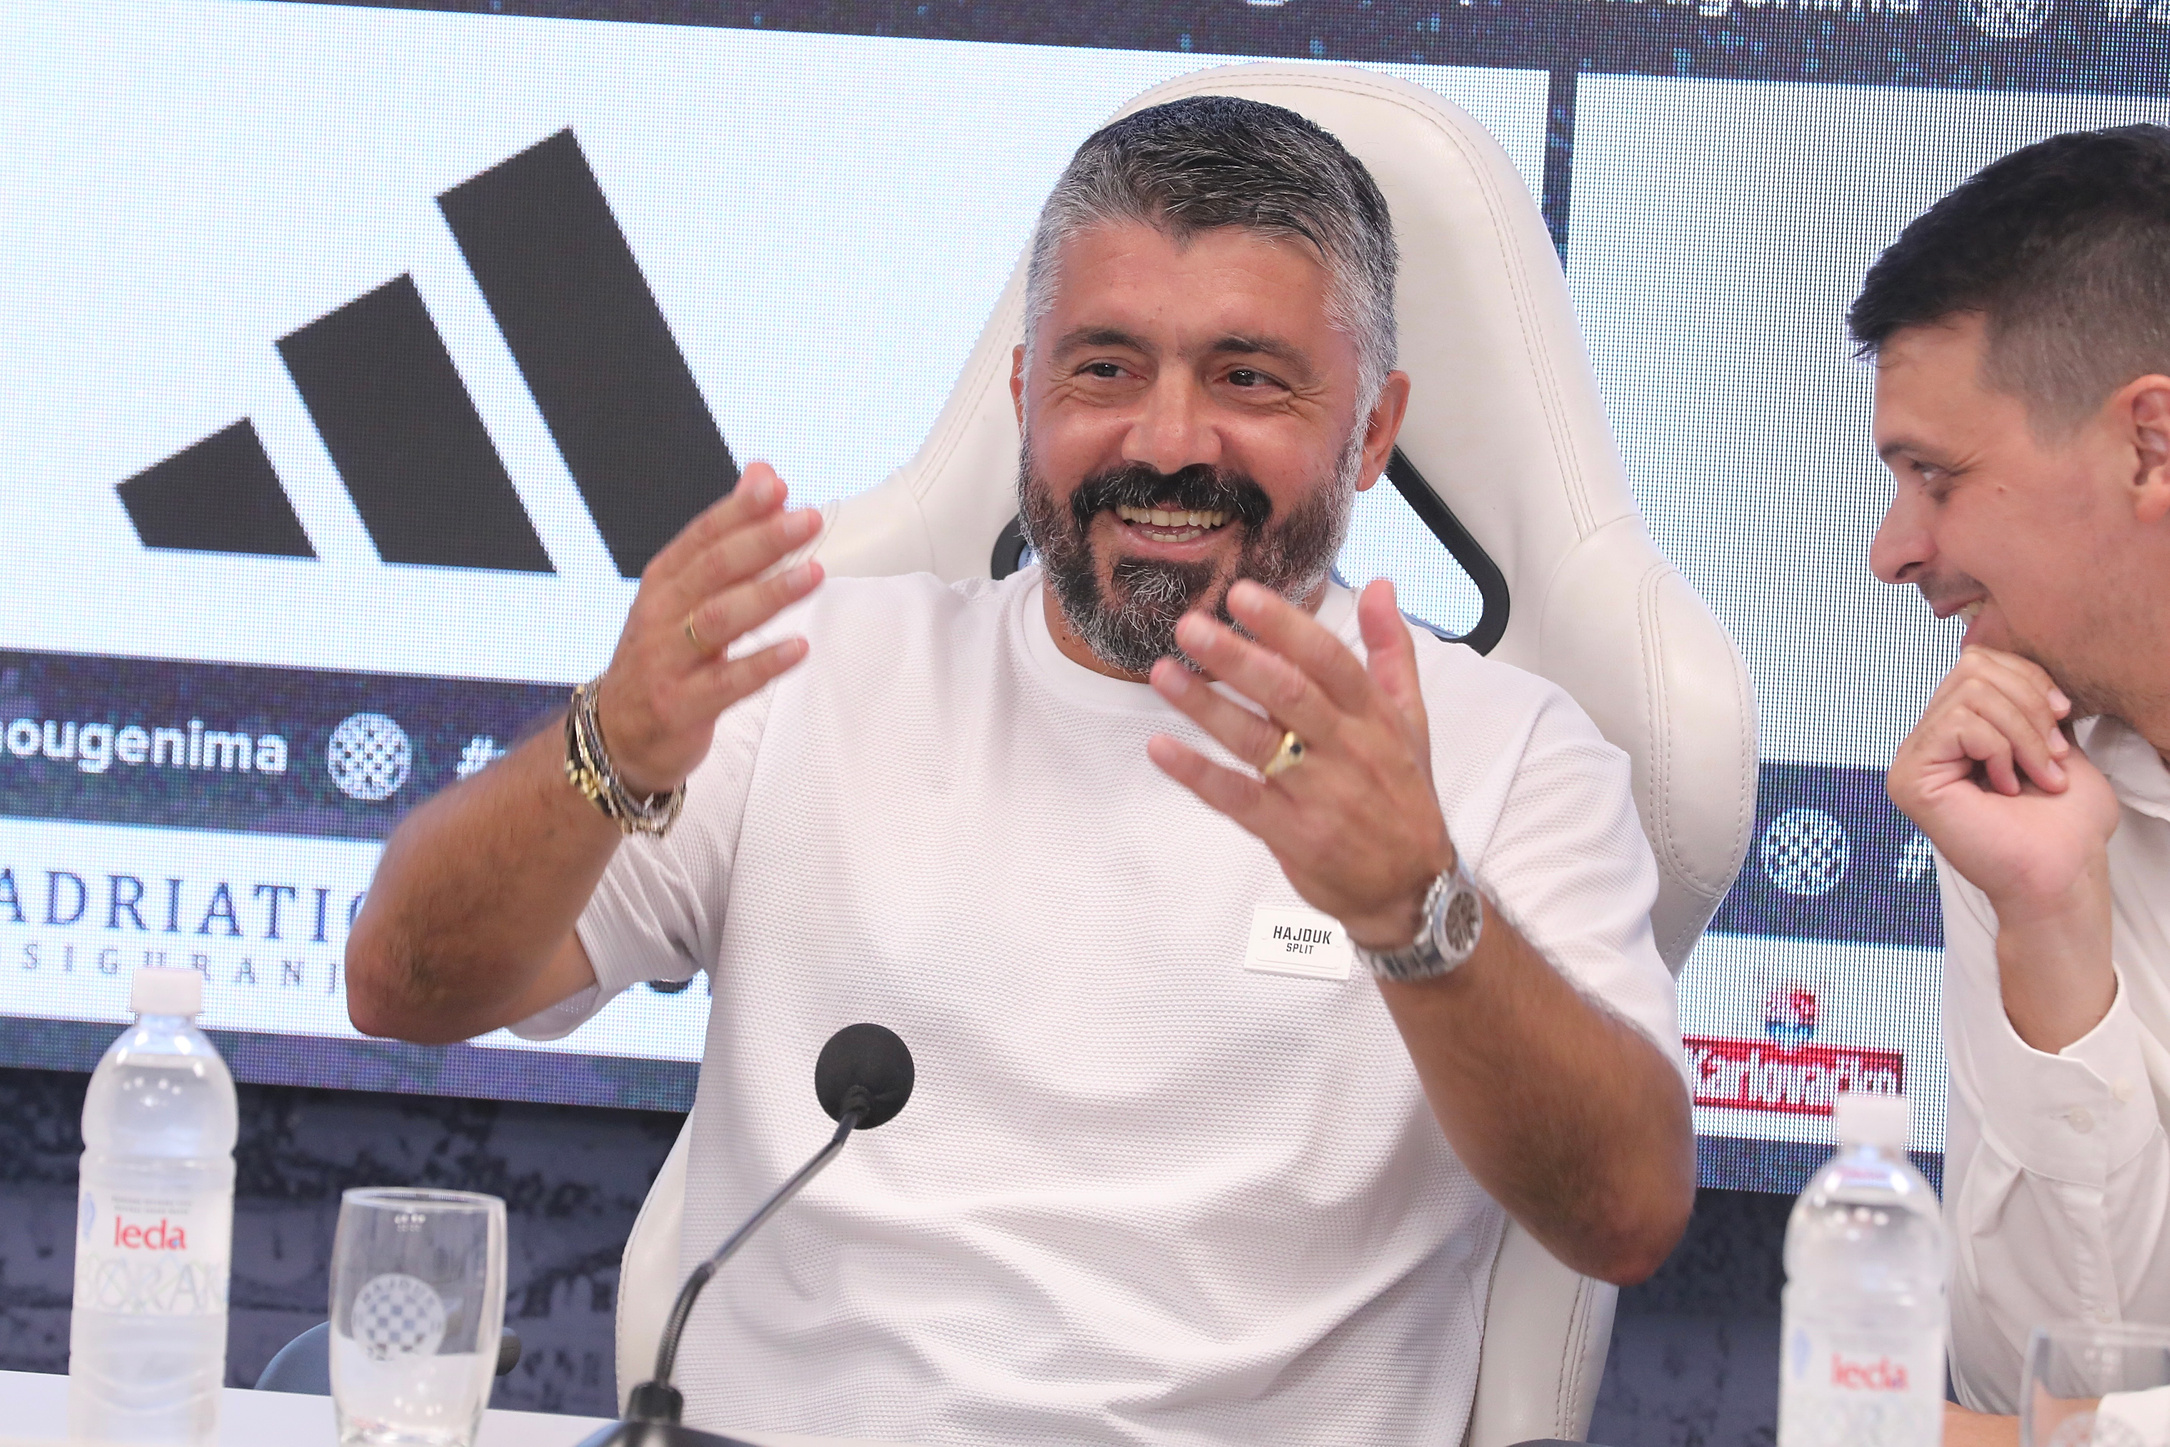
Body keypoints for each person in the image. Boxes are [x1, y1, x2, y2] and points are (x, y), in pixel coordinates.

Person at [347, 95, 1694, 1445]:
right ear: (1022, 395)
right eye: (1104, 370)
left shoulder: (1502, 753)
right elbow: (405, 990)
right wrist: (604, 751)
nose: (1167, 441)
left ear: (1373, 426)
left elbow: (1623, 1218)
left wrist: (1421, 914)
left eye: (1246, 378)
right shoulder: (802, 670)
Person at [1856, 124, 2170, 1445]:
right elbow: (2042, 1371)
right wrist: (2049, 928)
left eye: (1936, 477)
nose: (1892, 552)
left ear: (2149, 446)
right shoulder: (2031, 788)